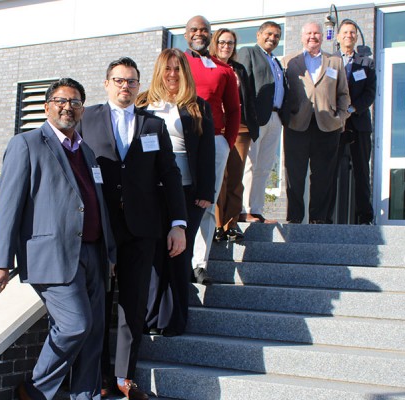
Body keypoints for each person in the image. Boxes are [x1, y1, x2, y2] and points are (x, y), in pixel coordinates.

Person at [0, 78, 117, 400]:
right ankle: (34, 391)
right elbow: (8, 206)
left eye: (74, 102)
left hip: (93, 253)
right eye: (61, 100)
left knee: (94, 334)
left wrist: (109, 254)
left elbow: (95, 202)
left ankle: (86, 397)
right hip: (52, 255)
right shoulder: (27, 144)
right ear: (47, 106)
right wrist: (0, 263)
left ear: (82, 110)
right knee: (75, 325)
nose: (67, 107)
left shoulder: (86, 151)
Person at [79, 57, 188, 400]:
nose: (125, 86)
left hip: (143, 229)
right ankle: (98, 377)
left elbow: (169, 175)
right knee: (98, 304)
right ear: (107, 83)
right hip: (100, 227)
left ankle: (126, 378)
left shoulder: (152, 124)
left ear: (139, 86)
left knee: (134, 303)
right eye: (119, 80)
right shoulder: (87, 119)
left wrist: (179, 224)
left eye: (131, 81)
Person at [136, 49, 215, 337]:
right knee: (153, 254)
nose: (172, 74)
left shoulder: (197, 106)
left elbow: (207, 153)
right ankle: (149, 317)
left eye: (177, 69)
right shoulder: (143, 104)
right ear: (159, 71)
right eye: (167, 69)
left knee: (179, 253)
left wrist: (207, 190)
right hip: (150, 190)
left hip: (187, 192)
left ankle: (175, 319)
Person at [182, 15, 240, 284]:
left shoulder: (223, 70)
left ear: (210, 35)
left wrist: (227, 143)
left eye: (204, 29)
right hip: (182, 140)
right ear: (186, 34)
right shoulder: (177, 63)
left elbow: (234, 109)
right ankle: (178, 258)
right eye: (194, 29)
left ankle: (199, 263)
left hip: (215, 141)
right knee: (180, 199)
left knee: (207, 202)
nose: (199, 33)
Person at [282, 21, 351, 224]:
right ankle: (294, 218)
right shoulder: (289, 61)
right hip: (297, 124)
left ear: (323, 36)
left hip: (327, 126)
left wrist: (340, 118)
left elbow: (344, 94)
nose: (313, 37)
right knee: (294, 175)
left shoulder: (335, 62)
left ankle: (319, 219)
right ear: (302, 36)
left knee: (323, 175)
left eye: (317, 33)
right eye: (309, 33)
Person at [210, 28, 259, 241]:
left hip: (239, 128)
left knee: (235, 177)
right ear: (214, 43)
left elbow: (247, 98)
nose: (226, 46)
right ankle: (217, 225)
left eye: (230, 43)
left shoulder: (239, 69)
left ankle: (231, 224)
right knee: (219, 178)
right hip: (215, 128)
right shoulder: (208, 66)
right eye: (222, 42)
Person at [235, 21, 287, 225]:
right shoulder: (248, 52)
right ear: (258, 35)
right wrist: (246, 116)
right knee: (250, 164)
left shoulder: (276, 60)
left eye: (276, 36)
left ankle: (256, 210)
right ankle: (244, 209)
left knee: (265, 167)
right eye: (269, 34)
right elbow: (242, 84)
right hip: (256, 118)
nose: (272, 38)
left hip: (275, 117)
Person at [328, 19, 377, 224]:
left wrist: (351, 109)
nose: (349, 35)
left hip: (359, 124)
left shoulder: (366, 63)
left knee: (361, 171)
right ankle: (323, 216)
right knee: (329, 171)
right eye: (345, 32)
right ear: (338, 37)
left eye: (353, 32)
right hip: (334, 125)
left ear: (356, 37)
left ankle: (364, 217)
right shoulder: (329, 61)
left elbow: (370, 93)